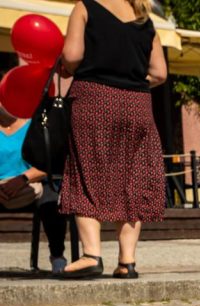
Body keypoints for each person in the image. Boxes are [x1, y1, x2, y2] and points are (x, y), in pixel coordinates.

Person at [58, 0, 167, 279]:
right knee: (133, 177)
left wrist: (68, 67)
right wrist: (128, 77)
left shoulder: (85, 7)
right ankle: (127, 261)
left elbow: (71, 56)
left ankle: (91, 255)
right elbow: (159, 73)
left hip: (94, 98)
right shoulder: (145, 18)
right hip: (137, 103)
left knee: (87, 171)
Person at [0, 104, 68, 273]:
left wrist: (21, 180)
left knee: (51, 197)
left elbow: (48, 164)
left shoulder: (35, 126)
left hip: (31, 183)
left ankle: (57, 256)